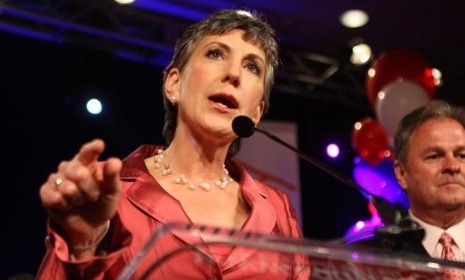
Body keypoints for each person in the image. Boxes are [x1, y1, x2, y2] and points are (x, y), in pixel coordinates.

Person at [36, 9, 309, 279]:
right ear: (174, 84)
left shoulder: (277, 209)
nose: (234, 74)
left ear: (256, 113)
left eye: (252, 67)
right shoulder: (109, 193)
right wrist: (81, 243)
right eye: (215, 53)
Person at [357, 100, 465, 262]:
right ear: (402, 173)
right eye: (434, 156)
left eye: (462, 156)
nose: (453, 166)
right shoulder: (366, 261)